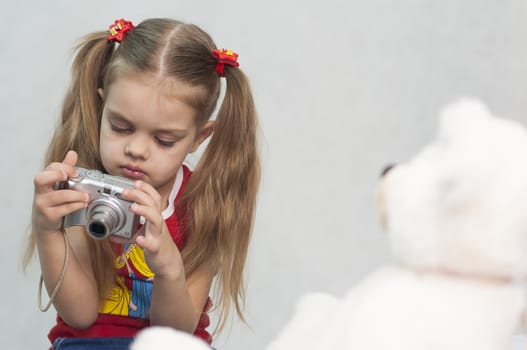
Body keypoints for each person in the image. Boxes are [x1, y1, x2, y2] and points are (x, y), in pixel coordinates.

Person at [24, 17, 260, 350]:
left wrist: (167, 268)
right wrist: (48, 231)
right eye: (121, 127)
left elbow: (175, 335)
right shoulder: (81, 189)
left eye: (164, 140)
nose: (136, 150)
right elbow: (80, 315)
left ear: (199, 137)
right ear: (102, 105)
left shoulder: (203, 205)